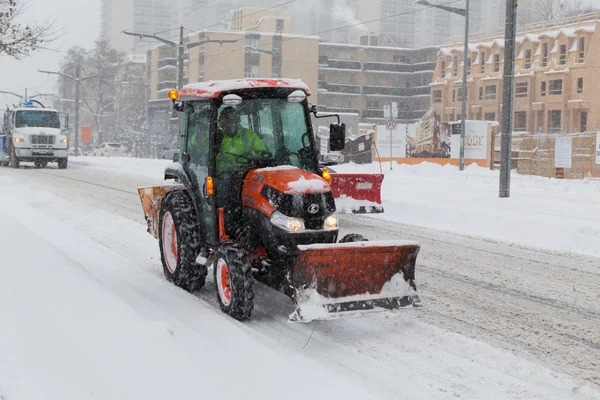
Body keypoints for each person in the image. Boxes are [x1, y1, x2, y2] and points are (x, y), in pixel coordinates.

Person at [215, 106, 266, 174]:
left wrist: (253, 155)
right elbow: (206, 159)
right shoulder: (215, 137)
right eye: (227, 120)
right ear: (221, 122)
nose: (230, 123)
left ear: (238, 121)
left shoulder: (250, 135)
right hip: (221, 174)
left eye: (233, 119)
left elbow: (261, 154)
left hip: (246, 173)